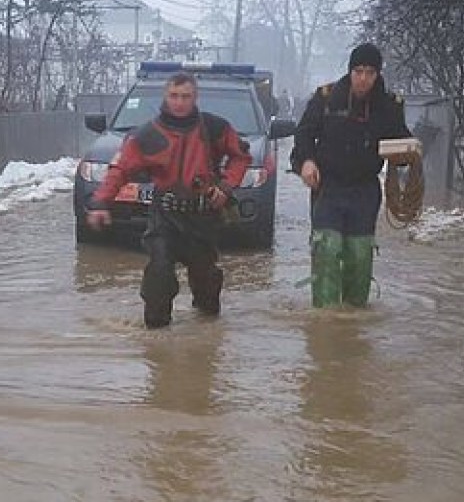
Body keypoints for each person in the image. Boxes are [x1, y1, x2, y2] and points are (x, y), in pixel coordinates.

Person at [86, 72, 252, 328]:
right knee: (159, 274)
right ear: (166, 96)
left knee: (206, 284)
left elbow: (241, 156)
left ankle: (208, 339)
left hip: (202, 217)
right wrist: (100, 203)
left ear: (195, 98)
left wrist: (227, 186)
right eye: (174, 96)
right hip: (165, 216)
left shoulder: (214, 128)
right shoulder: (146, 135)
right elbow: (119, 171)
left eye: (185, 96)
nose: (179, 102)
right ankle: (156, 345)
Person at [290, 42, 411, 308]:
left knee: (359, 254)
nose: (363, 78)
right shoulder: (327, 98)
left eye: (370, 72)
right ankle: (325, 321)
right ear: (350, 71)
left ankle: (353, 320)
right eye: (358, 71)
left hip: (364, 189)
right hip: (328, 187)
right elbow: (304, 134)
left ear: (378, 74)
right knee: (328, 248)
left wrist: (407, 153)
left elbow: (402, 144)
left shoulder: (388, 106)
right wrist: (307, 162)